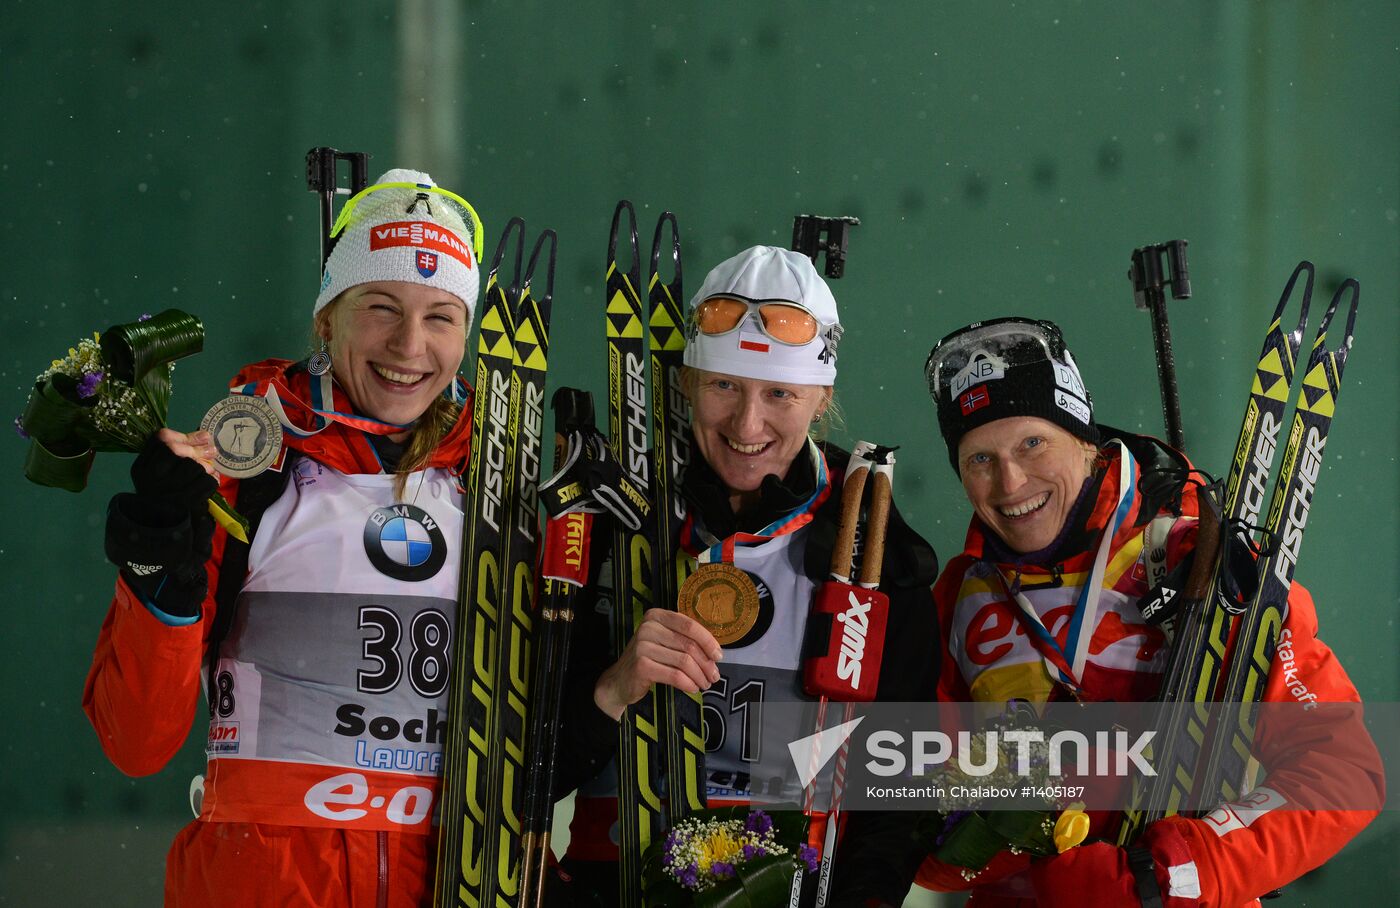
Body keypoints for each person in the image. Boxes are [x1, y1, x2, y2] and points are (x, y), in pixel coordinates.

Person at [84, 169, 481, 906]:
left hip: (452, 882)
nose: (409, 345)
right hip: (265, 884)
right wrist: (155, 567)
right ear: (327, 318)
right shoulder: (248, 467)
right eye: (381, 308)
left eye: (441, 317)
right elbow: (135, 743)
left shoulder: (500, 488)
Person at [913, 317, 1383, 907]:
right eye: (979, 458)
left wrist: (1165, 876)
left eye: (1033, 443)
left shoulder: (1196, 561)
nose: (1009, 481)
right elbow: (926, 850)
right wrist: (996, 824)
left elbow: (1342, 772)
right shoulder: (960, 598)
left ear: (1084, 438)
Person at [551, 246, 942, 907]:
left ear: (821, 400)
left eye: (780, 394)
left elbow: (897, 796)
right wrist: (613, 689)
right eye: (724, 385)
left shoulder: (872, 543)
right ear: (685, 383)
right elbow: (517, 774)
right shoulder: (612, 515)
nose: (747, 424)